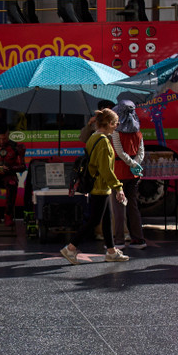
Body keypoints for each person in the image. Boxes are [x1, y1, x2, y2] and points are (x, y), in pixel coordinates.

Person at [60, 106, 129, 265]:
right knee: (94, 220)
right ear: (110, 123)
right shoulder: (104, 142)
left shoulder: (94, 137)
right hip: (100, 187)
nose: (117, 126)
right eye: (116, 123)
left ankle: (111, 251)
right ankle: (71, 248)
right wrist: (118, 187)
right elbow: (106, 169)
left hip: (97, 185)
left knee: (105, 220)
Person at [110, 99, 147, 248]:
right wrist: (135, 164)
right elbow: (141, 153)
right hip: (134, 174)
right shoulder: (138, 132)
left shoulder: (116, 132)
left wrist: (130, 164)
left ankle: (119, 241)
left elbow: (119, 152)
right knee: (133, 206)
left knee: (119, 208)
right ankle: (138, 239)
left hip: (119, 172)